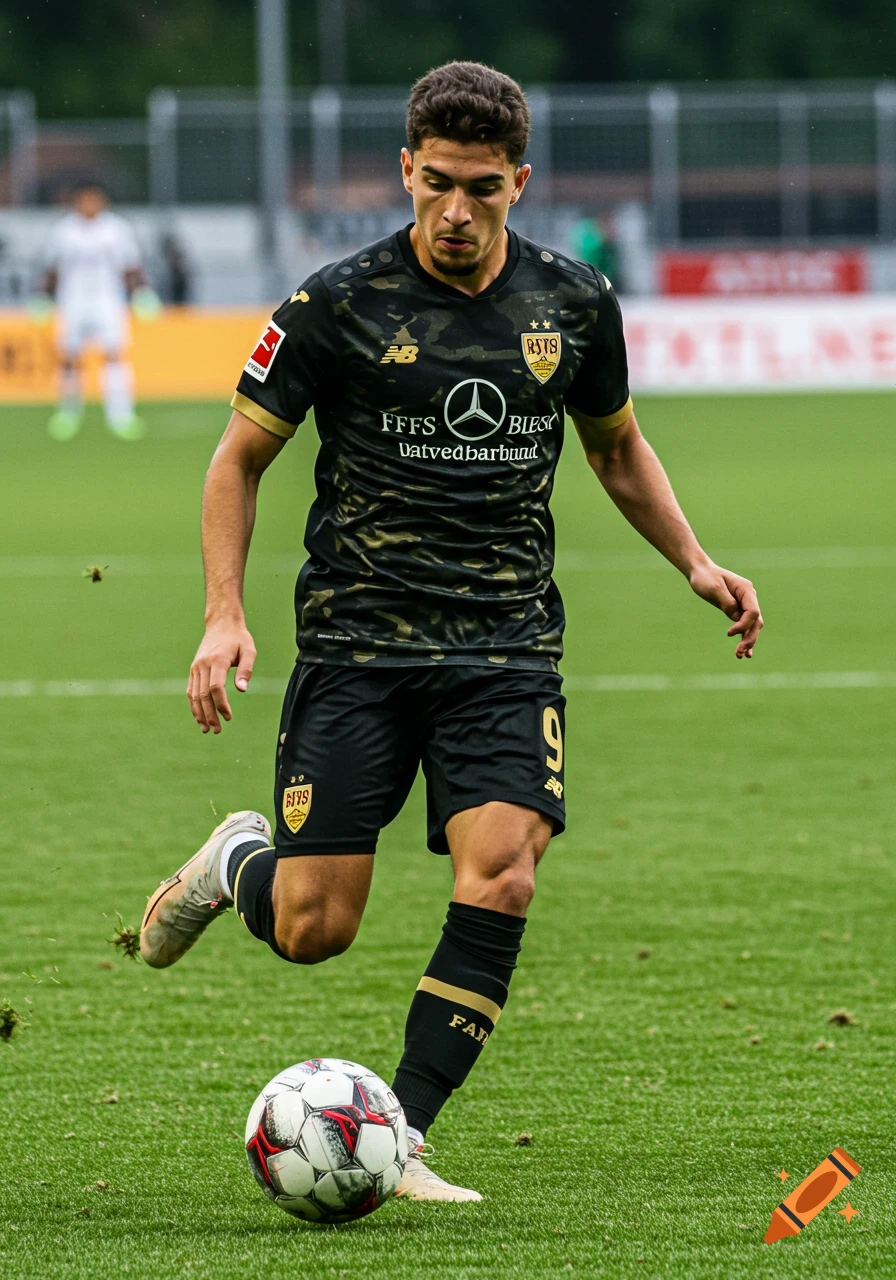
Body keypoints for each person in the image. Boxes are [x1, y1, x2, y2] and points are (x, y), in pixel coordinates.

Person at [139, 62, 763, 1203]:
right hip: (357, 646)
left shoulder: (575, 302)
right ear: (405, 172)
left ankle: (403, 1134)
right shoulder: (336, 303)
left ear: (519, 180)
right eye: (437, 184)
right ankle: (238, 860)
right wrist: (223, 614)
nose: (457, 211)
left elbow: (617, 447)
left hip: (505, 650)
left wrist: (693, 559)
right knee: (316, 927)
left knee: (505, 874)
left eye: (482, 187)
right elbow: (238, 460)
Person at [34, 180, 159, 441]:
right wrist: (43, 296)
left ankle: (121, 416)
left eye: (94, 199)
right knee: (69, 358)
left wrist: (141, 292)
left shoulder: (116, 229)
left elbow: (130, 266)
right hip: (72, 302)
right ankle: (68, 414)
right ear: (77, 202)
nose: (89, 204)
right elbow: (53, 269)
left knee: (114, 355)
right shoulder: (64, 231)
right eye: (85, 199)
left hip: (107, 301)